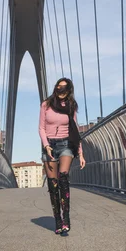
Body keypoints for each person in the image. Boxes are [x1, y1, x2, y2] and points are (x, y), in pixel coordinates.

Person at [39, 78, 86, 235]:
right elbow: (41, 128)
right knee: (53, 185)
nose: (61, 91)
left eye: (64, 89)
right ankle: (57, 221)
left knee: (63, 177)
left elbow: (75, 129)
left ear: (69, 90)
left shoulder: (71, 106)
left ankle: (66, 220)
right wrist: (46, 145)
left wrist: (80, 153)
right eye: (58, 88)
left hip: (66, 144)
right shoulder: (46, 105)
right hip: (49, 146)